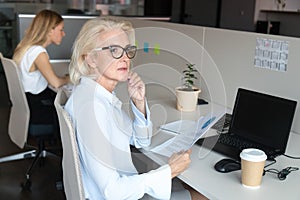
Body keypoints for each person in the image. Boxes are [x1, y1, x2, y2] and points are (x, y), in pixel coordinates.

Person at [65, 16, 207, 200]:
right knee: (204, 195)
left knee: (187, 183)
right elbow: (112, 192)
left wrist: (139, 103)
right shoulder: (92, 109)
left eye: (127, 50)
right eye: (114, 50)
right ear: (91, 58)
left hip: (121, 188)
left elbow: (140, 141)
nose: (125, 58)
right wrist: (169, 171)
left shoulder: (98, 96)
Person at [13, 9, 69, 132]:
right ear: (50, 31)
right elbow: (55, 83)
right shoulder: (38, 53)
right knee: (71, 110)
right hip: (38, 108)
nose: (63, 34)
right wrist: (69, 78)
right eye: (61, 30)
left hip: (29, 103)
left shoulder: (25, 48)